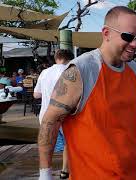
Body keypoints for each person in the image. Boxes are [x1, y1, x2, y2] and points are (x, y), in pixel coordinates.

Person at [38, 6, 136, 180]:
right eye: (127, 37)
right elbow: (50, 121)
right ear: (106, 33)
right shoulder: (81, 70)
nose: (135, 44)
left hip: (129, 172)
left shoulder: (133, 70)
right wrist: (45, 173)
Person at [34, 49, 74, 179]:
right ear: (69, 59)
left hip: (45, 114)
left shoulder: (44, 72)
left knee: (47, 144)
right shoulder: (70, 71)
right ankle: (64, 171)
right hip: (65, 115)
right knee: (69, 143)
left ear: (56, 58)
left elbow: (36, 94)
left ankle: (45, 174)